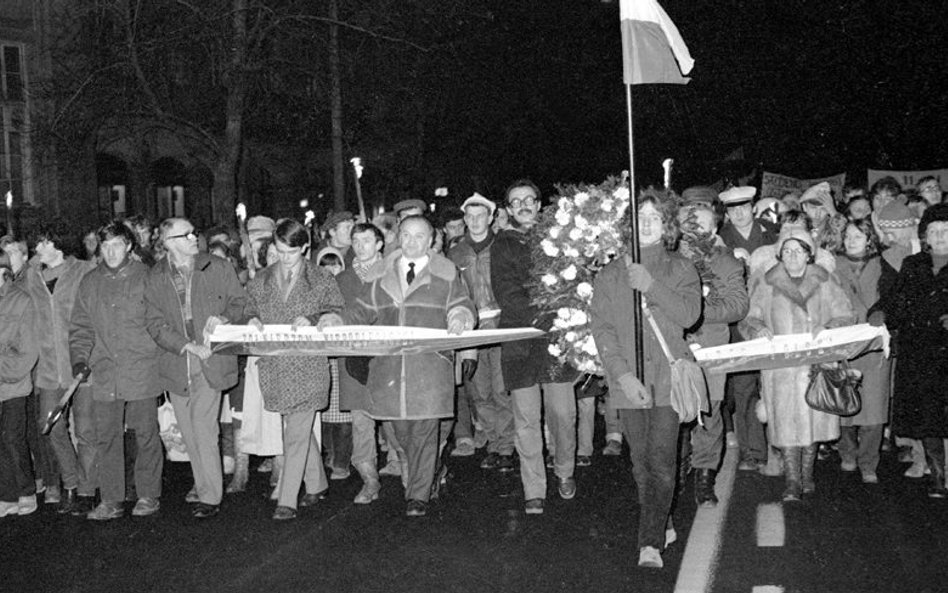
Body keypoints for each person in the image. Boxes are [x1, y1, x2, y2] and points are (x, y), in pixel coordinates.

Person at [590, 189, 701, 568]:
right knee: (640, 462)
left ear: (667, 223)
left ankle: (649, 542)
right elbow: (602, 329)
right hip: (629, 384)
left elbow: (689, 315)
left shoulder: (681, 267)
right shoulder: (610, 274)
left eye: (655, 215)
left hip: (668, 379)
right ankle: (661, 518)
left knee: (661, 460)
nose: (648, 221)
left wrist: (651, 284)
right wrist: (622, 377)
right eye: (641, 215)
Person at [339, 215, 475, 517]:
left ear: (431, 240)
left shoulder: (446, 271)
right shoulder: (380, 271)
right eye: (407, 235)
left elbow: (463, 304)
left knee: (425, 431)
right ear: (398, 238)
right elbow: (361, 310)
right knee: (399, 434)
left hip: (429, 369)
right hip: (388, 370)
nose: (412, 242)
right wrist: (335, 320)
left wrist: (459, 317)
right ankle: (427, 476)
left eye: (420, 236)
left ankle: (417, 495)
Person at [740, 228, 854, 502]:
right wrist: (757, 330)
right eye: (787, 250)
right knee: (786, 423)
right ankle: (792, 482)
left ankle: (807, 474)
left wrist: (829, 327)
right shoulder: (767, 284)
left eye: (799, 250)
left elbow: (847, 314)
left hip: (816, 367)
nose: (793, 256)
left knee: (814, 419)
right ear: (779, 254)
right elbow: (749, 318)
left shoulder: (825, 281)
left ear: (809, 254)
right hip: (781, 370)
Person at [145, 217, 247, 519]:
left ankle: (211, 495)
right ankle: (204, 487)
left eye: (194, 232)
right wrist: (187, 345)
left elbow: (239, 303)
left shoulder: (217, 266)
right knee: (189, 433)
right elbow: (153, 323)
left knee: (204, 428)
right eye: (185, 234)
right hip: (178, 360)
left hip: (211, 359)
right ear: (168, 242)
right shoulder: (156, 276)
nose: (193, 238)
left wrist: (224, 318)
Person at [244, 219, 344, 520]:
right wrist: (251, 319)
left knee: (296, 434)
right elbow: (247, 307)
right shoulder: (260, 279)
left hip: (308, 366)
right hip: (275, 366)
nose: (283, 258)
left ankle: (286, 499)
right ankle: (317, 483)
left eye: (290, 252)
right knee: (295, 429)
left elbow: (337, 309)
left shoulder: (321, 278)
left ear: (305, 248)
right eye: (278, 250)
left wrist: (314, 318)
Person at [492, 179, 578, 515]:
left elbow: (573, 282)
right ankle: (534, 488)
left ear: (539, 204)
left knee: (563, 413)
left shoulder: (560, 237)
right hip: (520, 341)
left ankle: (565, 470)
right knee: (526, 419)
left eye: (530, 199)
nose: (524, 205)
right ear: (509, 209)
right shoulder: (503, 245)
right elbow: (507, 294)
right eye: (517, 201)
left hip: (557, 341)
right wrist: (544, 317)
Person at [70, 222, 163, 520]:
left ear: (129, 246)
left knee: (146, 433)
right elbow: (81, 328)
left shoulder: (146, 277)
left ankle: (148, 494)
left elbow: (159, 322)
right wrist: (79, 359)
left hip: (141, 369)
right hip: (106, 371)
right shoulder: (89, 282)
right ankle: (111, 499)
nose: (110, 252)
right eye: (105, 246)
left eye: (117, 245)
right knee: (106, 436)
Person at [871, 203, 948, 498]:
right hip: (920, 352)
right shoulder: (913, 264)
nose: (940, 236)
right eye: (934, 231)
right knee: (929, 416)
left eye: (945, 230)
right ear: (925, 235)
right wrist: (880, 313)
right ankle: (938, 478)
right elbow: (897, 300)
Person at [677, 193, 749, 506]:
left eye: (703, 226)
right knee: (674, 411)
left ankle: (705, 476)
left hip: (710, 346)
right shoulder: (668, 258)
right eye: (689, 225)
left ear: (715, 228)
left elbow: (738, 305)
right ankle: (677, 470)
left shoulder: (726, 260)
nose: (696, 232)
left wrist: (698, 311)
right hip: (674, 346)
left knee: (709, 412)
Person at [24, 225, 96, 513]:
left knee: (87, 431)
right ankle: (71, 482)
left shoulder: (84, 271)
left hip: (82, 363)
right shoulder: (33, 275)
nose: (37, 249)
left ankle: (87, 491)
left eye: (42, 243)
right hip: (49, 368)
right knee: (49, 425)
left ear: (58, 244)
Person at [447, 193, 515, 465]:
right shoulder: (455, 253)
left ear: (490, 217)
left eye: (480, 216)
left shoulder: (504, 246)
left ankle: (507, 446)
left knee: (501, 389)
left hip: (501, 326)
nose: (475, 221)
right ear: (464, 219)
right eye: (470, 216)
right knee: (479, 391)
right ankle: (493, 443)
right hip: (471, 331)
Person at [717, 186, 776, 473]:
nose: (739, 213)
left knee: (777, 385)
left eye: (744, 206)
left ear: (753, 207)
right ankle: (753, 452)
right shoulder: (720, 241)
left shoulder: (772, 233)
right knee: (744, 388)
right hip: (739, 322)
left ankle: (783, 445)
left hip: (774, 318)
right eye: (732, 208)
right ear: (726, 213)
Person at [834, 219, 889, 484]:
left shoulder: (883, 263)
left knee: (874, 408)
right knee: (844, 401)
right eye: (847, 236)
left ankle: (869, 462)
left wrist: (882, 310)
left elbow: (893, 295)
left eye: (858, 235)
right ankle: (847, 453)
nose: (851, 240)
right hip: (845, 341)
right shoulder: (833, 265)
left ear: (869, 238)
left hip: (874, 344)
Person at [335, 222, 386, 504]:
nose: (360, 245)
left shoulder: (394, 272)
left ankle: (413, 473)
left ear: (379, 244)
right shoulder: (342, 279)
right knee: (360, 419)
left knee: (394, 419)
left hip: (387, 355)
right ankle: (370, 480)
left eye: (367, 239)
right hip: (353, 357)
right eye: (355, 240)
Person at [0, 253, 39, 517]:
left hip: (13, 383)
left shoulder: (21, 301)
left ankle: (26, 491)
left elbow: (29, 351)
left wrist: (5, 372)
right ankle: (7, 495)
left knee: (13, 438)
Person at [315, 246, 352, 482]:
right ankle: (329, 454)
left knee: (344, 414)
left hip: (344, 359)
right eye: (325, 265)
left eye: (335, 264)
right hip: (322, 359)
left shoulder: (348, 290)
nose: (331, 270)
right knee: (324, 412)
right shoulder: (314, 293)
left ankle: (342, 461)